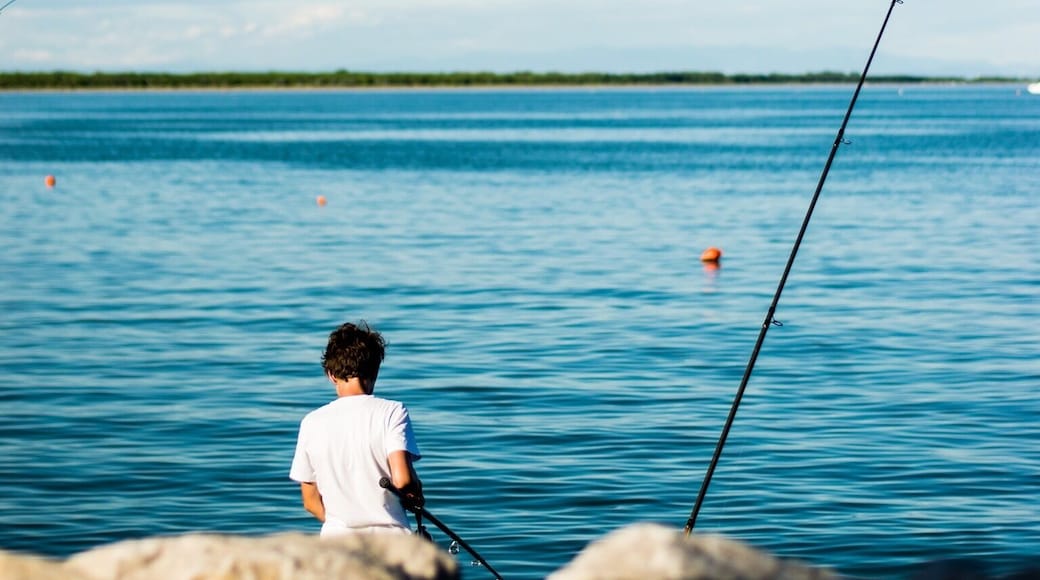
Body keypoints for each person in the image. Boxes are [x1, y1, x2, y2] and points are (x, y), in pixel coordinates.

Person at [290, 321, 424, 537]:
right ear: (375, 370)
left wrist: (343, 525)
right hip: (393, 543)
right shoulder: (392, 411)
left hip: (337, 547)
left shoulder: (311, 422)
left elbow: (310, 501)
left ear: (331, 374)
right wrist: (416, 491)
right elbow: (403, 480)